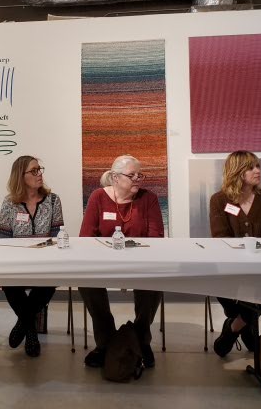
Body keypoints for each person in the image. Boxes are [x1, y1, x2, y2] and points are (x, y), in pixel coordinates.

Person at [79, 154, 164, 370]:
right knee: (86, 283)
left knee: (154, 282)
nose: (137, 179)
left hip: (140, 262)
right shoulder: (98, 197)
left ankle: (141, 339)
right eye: (132, 175)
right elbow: (86, 237)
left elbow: (156, 238)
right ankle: (105, 340)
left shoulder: (149, 198)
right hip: (104, 262)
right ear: (115, 177)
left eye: (139, 175)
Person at [210, 150, 261, 357]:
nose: (257, 171)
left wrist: (256, 257)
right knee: (219, 281)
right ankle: (247, 325)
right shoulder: (219, 200)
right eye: (250, 167)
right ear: (236, 171)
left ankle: (234, 327)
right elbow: (221, 237)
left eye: (258, 166)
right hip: (231, 266)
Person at [0, 155, 64, 357]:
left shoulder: (53, 200)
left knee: (50, 280)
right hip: (17, 262)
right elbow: (4, 239)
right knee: (8, 281)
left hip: (45, 262)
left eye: (40, 169)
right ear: (21, 176)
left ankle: (23, 324)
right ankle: (31, 330)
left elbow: (57, 236)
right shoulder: (9, 203)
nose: (39, 174)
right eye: (34, 171)